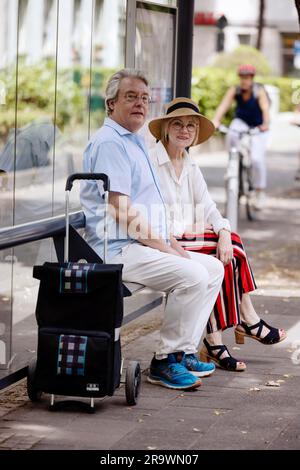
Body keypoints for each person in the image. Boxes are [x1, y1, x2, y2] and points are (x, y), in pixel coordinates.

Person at [80, 69, 224, 390]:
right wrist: (164, 247)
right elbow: (121, 210)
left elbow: (151, 204)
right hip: (116, 249)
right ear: (111, 104)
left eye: (145, 98)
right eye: (131, 97)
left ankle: (184, 350)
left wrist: (170, 240)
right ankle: (164, 361)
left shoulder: (134, 141)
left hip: (140, 244)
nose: (140, 104)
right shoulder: (110, 144)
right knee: (193, 275)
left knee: (213, 269)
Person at [148, 97, 286, 372]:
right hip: (163, 242)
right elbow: (154, 216)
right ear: (165, 128)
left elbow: (209, 206)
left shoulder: (189, 163)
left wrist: (222, 229)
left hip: (190, 238)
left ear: (196, 133)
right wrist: (194, 231)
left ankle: (215, 340)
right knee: (231, 249)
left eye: (190, 125)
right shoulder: (152, 162)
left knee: (227, 248)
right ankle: (246, 320)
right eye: (177, 124)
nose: (184, 130)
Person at [213, 64, 270, 210]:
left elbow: (265, 109)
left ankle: (259, 192)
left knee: (257, 159)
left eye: (248, 77)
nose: (244, 81)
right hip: (242, 123)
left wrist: (265, 124)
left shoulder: (259, 91)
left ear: (252, 78)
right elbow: (223, 106)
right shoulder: (235, 90)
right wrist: (215, 121)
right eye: (242, 77)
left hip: (258, 127)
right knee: (233, 129)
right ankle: (233, 159)